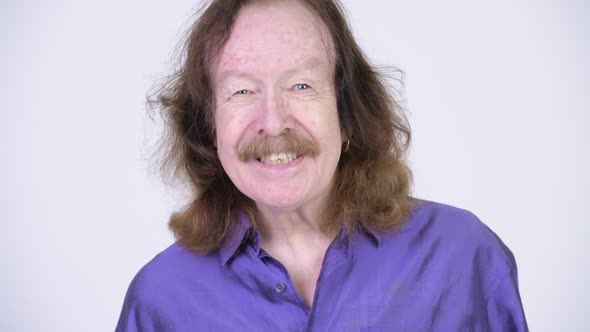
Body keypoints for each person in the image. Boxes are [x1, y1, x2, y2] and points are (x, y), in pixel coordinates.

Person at [116, 0, 528, 330]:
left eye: (301, 85)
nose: (273, 121)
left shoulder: (461, 256)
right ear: (209, 130)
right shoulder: (160, 302)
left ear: (347, 115)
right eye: (241, 90)